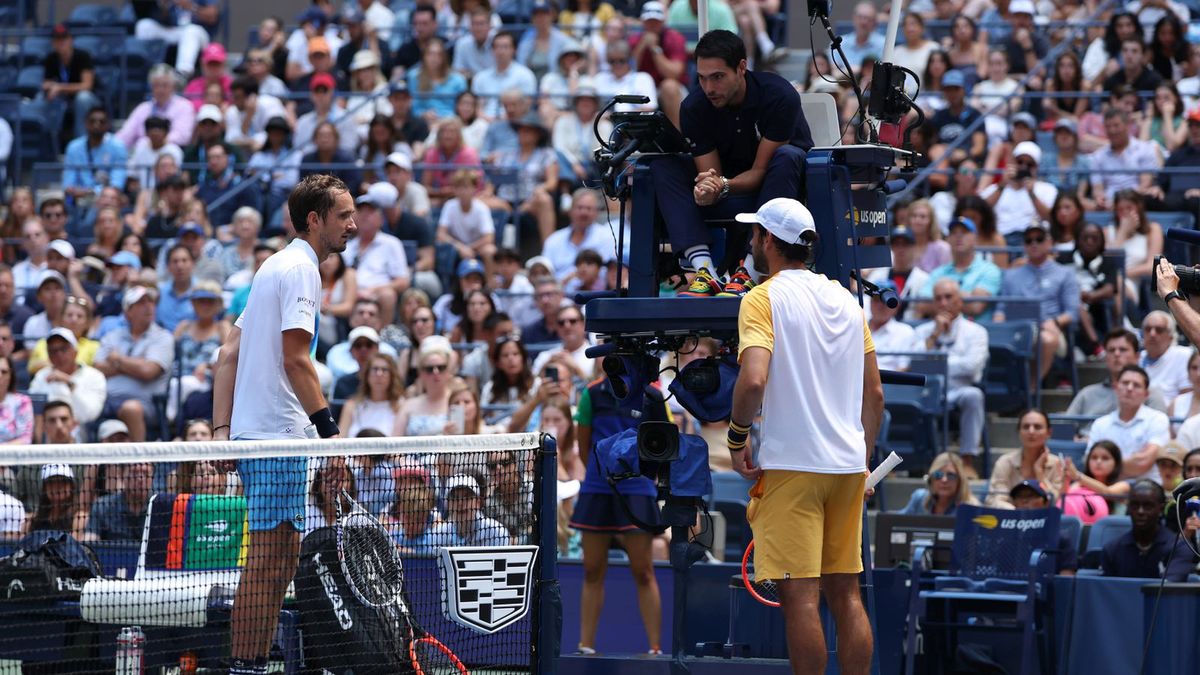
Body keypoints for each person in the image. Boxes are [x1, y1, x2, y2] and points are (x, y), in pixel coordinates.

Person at [727, 195, 883, 675]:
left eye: (756, 233)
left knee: (800, 597)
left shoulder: (760, 298)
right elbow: (874, 396)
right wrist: (862, 460)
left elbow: (753, 380)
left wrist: (736, 439)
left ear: (769, 241)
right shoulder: (847, 300)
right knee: (846, 593)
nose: (753, 240)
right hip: (846, 468)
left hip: (794, 468)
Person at [211, 174, 357, 675]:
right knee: (268, 558)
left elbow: (227, 353)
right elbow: (297, 360)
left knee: (283, 555)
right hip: (277, 436)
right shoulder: (300, 269)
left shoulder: (274, 265)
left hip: (268, 436)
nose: (352, 225)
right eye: (343, 215)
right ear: (314, 220)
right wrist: (332, 437)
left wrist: (220, 432)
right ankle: (244, 665)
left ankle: (255, 659)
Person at [648, 31, 811, 296]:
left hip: (780, 182)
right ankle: (705, 271)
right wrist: (708, 187)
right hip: (728, 184)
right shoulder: (694, 107)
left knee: (787, 156)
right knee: (662, 165)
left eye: (718, 77)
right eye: (702, 78)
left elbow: (760, 171)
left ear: (742, 68)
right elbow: (710, 175)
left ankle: (748, 271)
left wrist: (720, 185)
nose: (709, 88)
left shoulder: (780, 96)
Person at [914, 279, 989, 475]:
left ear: (960, 301)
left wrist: (934, 365)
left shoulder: (976, 331)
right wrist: (934, 336)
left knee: (974, 396)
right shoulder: (923, 331)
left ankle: (967, 460)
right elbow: (913, 364)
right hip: (926, 390)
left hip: (958, 389)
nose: (943, 303)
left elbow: (971, 367)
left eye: (949, 297)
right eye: (938, 298)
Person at [996, 222, 1080, 382]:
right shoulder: (1011, 275)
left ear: (1049, 242)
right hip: (1016, 328)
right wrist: (998, 324)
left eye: (1039, 239)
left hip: (1048, 327)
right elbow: (1001, 308)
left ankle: (1031, 389)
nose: (1034, 244)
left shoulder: (1065, 274)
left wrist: (1055, 322)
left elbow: (1072, 312)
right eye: (1029, 240)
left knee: (1047, 339)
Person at [93, 286, 174, 443]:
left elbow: (148, 371)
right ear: (128, 312)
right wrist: (136, 364)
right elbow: (97, 368)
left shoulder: (163, 337)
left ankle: (140, 463)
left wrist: (118, 360)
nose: (148, 306)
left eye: (151, 302)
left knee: (131, 408)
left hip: (146, 405)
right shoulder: (112, 336)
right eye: (141, 303)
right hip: (106, 400)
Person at [1066, 329, 1167, 432]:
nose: (1117, 354)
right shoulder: (1087, 394)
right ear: (1106, 357)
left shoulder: (1150, 395)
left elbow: (1159, 431)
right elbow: (1064, 429)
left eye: (1123, 349)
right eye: (1111, 350)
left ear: (1137, 357)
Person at [342, 182, 410, 326]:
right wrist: (355, 291)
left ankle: (381, 337)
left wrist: (372, 290)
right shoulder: (346, 244)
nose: (365, 216)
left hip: (377, 294)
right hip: (349, 294)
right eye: (361, 211)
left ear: (381, 219)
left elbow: (402, 281)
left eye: (371, 211)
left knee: (388, 295)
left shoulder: (391, 243)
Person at [1101, 480, 1197, 580]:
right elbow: (1107, 591)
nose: (1140, 511)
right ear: (1128, 508)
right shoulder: (1111, 549)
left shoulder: (1179, 548)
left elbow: (1170, 590)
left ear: (1160, 509)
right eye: (1135, 505)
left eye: (1147, 506)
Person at [1088, 365, 1169, 483]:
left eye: (1136, 385)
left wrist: (1108, 464)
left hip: (1147, 491)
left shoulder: (1158, 419)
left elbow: (1143, 462)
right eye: (1125, 383)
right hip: (1106, 489)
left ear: (1146, 394)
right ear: (1115, 387)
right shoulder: (1100, 424)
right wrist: (1131, 462)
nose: (1129, 388)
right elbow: (1091, 464)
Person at [923, 217, 1003, 320]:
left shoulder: (990, 270)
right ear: (948, 239)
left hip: (978, 332)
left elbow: (976, 306)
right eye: (954, 233)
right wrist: (966, 296)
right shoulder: (938, 272)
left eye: (964, 232)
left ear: (975, 238)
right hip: (941, 332)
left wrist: (939, 298)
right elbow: (922, 305)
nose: (959, 236)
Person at [986, 409, 1066, 508]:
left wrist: (1040, 473)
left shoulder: (1058, 464)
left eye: (1037, 427)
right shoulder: (1005, 462)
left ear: (1049, 432)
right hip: (1009, 519)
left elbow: (1057, 503)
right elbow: (994, 500)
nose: (1031, 431)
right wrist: (1019, 515)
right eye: (1026, 427)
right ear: (1019, 432)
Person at [28, 328, 106, 427]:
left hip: (82, 435)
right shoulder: (41, 375)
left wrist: (70, 383)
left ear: (76, 351)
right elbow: (32, 411)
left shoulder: (95, 376)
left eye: (64, 349)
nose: (59, 354)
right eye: (53, 351)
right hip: (48, 434)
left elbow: (89, 415)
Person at [471, 32, 537, 120]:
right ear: (492, 51)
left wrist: (501, 120)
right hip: (484, 121)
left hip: (515, 121)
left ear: (514, 50)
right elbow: (477, 108)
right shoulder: (480, 77)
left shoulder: (525, 75)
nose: (501, 51)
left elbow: (526, 106)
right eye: (497, 47)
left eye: (505, 47)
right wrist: (488, 120)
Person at [431, 475, 510, 546]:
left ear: (478, 502)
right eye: (455, 497)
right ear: (447, 504)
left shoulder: (497, 533)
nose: (460, 503)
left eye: (467, 497)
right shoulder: (438, 535)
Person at [897, 452, 980, 515]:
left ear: (960, 480)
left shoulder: (970, 507)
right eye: (938, 475)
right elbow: (896, 521)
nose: (944, 480)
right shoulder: (919, 498)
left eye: (951, 475)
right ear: (931, 479)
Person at [1138, 310, 1192, 404]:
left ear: (1171, 336)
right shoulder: (1137, 358)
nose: (1152, 334)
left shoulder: (1184, 355)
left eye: (1159, 330)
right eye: (1148, 329)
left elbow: (1187, 397)